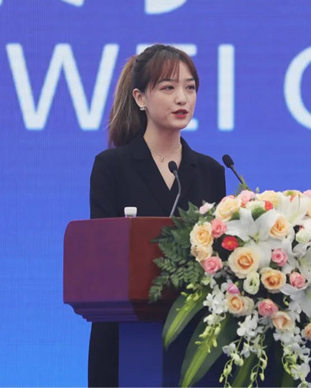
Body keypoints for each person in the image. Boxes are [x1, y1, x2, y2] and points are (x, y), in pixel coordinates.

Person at [88, 44, 227, 386]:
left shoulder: (209, 171)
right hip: (124, 337)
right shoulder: (112, 167)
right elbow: (102, 256)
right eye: (168, 87)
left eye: (190, 88)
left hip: (196, 339)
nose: (182, 98)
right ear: (140, 98)